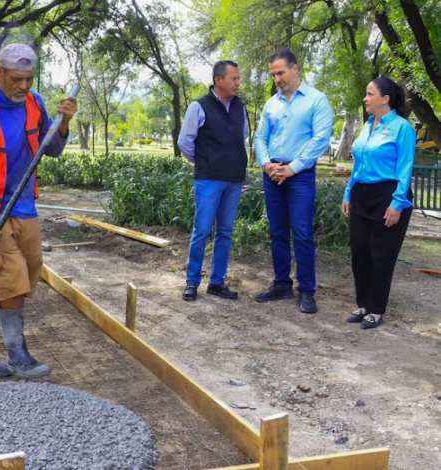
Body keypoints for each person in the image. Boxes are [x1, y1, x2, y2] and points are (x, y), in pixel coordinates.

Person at [0, 44, 77, 379]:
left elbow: (51, 148)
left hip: (23, 206)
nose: (23, 86)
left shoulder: (35, 103)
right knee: (12, 276)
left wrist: (64, 122)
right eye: (16, 79)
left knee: (24, 276)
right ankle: (18, 356)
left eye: (29, 79)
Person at [254, 49, 334, 314]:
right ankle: (281, 285)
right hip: (273, 173)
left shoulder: (317, 100)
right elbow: (260, 138)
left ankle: (307, 290)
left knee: (302, 232)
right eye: (273, 74)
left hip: (300, 176)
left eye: (281, 72)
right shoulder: (271, 104)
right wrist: (266, 164)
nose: (277, 78)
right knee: (277, 231)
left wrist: (292, 168)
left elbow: (320, 140)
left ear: (295, 69)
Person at [342, 77, 415, 329]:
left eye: (369, 94)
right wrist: (348, 193)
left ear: (385, 99)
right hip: (362, 195)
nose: (365, 98)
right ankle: (363, 305)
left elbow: (405, 167)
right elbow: (358, 164)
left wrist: (398, 202)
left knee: (381, 256)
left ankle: (376, 309)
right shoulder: (368, 125)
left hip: (389, 196)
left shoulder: (403, 128)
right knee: (360, 252)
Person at [177, 60, 248, 302]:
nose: (238, 83)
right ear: (219, 80)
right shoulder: (199, 106)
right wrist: (205, 161)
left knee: (225, 232)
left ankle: (217, 282)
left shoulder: (241, 107)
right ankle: (192, 281)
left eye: (239, 78)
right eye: (234, 79)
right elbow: (185, 142)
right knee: (202, 230)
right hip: (209, 180)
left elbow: (243, 136)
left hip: (234, 180)